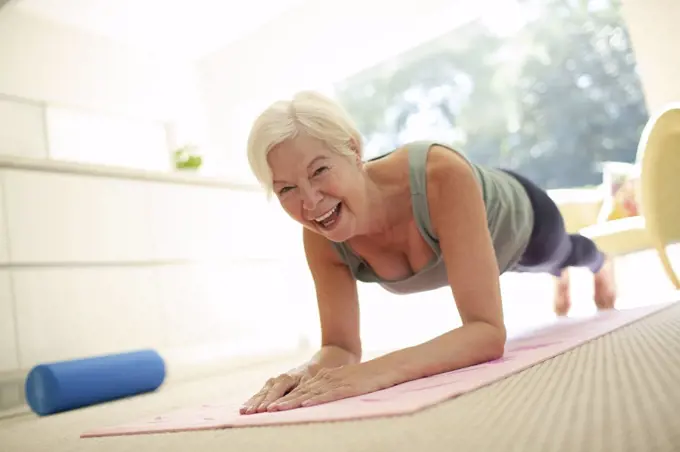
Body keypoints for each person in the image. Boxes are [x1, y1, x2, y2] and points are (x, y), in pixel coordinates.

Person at [239, 90, 616, 415]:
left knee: (564, 254)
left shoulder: (440, 174)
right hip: (479, 241)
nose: (309, 201)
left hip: (525, 226)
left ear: (354, 150)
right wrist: (304, 373)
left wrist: (375, 372)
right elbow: (339, 346)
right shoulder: (320, 235)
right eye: (287, 189)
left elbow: (486, 334)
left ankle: (600, 263)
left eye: (319, 170)